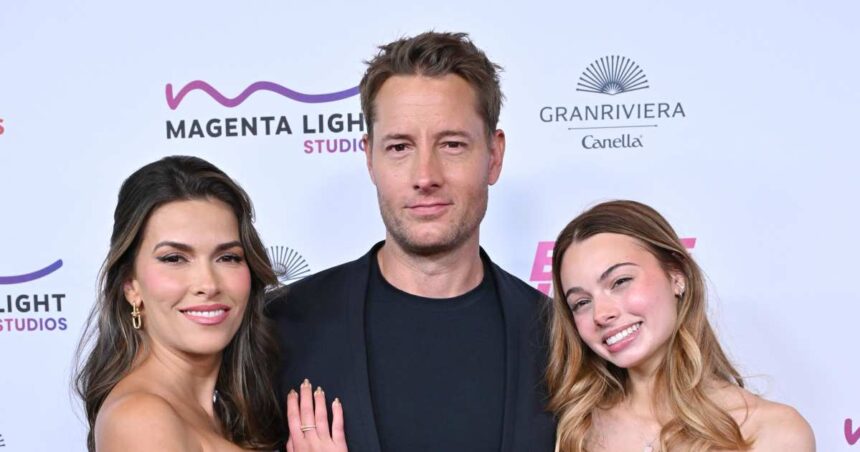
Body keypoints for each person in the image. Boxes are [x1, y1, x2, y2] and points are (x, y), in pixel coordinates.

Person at [267, 31, 556, 451]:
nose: (425, 176)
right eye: (400, 147)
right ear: (370, 158)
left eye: (452, 144)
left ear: (494, 156)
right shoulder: (279, 329)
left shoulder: (559, 339)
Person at [75, 156, 346, 452]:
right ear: (131, 286)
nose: (208, 284)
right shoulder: (141, 419)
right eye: (174, 259)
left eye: (227, 257)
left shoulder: (222, 413)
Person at [547, 200, 815, 451]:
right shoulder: (574, 428)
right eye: (581, 302)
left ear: (677, 275)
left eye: (620, 282)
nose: (602, 314)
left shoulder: (772, 431)